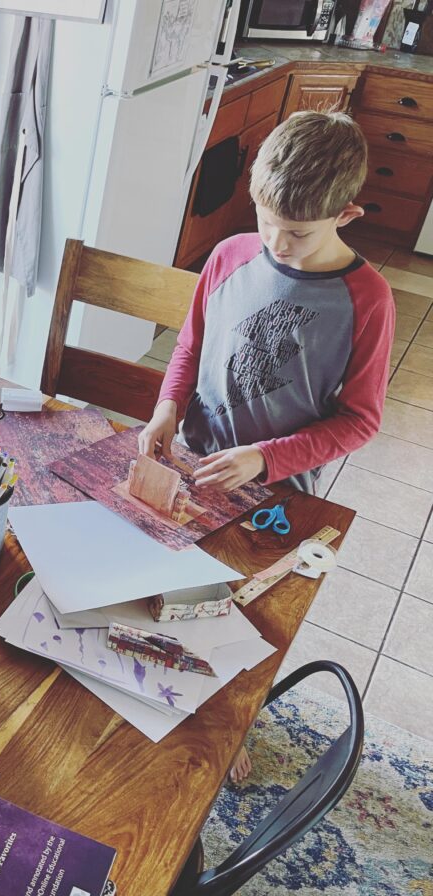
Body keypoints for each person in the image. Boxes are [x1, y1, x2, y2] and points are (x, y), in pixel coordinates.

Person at [138, 112, 395, 782]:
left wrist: (266, 459)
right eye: (266, 219)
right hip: (193, 462)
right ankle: (171, 696)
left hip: (278, 492)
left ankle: (225, 723)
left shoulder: (366, 298)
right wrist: (167, 407)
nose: (278, 242)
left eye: (300, 233)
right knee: (171, 595)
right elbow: (190, 345)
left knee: (244, 619)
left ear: (348, 213)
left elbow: (360, 421)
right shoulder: (228, 256)